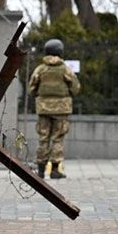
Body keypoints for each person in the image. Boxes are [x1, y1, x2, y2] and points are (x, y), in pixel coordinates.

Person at [29, 38, 80, 179]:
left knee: (43, 138)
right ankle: (55, 170)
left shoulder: (40, 69)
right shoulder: (65, 69)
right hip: (61, 110)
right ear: (60, 51)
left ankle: (40, 170)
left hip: (44, 109)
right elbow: (75, 88)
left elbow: (31, 89)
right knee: (57, 139)